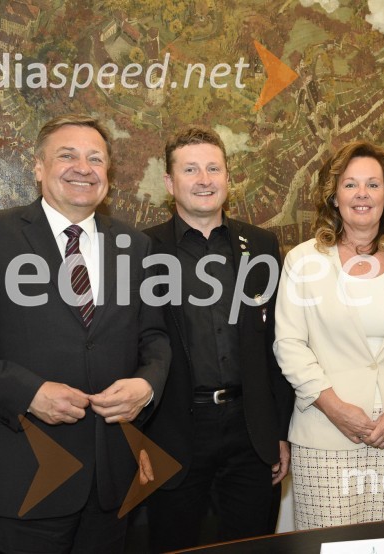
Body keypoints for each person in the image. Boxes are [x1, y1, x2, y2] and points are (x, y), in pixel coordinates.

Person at [0, 114, 171, 553]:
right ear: (37, 167)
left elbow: (154, 339)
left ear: (107, 175)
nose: (83, 167)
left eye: (96, 158)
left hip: (112, 482)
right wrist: (30, 393)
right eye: (67, 155)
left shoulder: (136, 246)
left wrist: (146, 387)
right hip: (29, 474)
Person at [273, 140, 384, 529]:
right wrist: (337, 410)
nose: (362, 194)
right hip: (325, 437)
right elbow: (290, 346)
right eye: (350, 185)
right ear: (334, 197)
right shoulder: (303, 261)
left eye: (372, 184)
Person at [141, 125, 294, 551]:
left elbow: (277, 348)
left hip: (251, 432)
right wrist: (134, 439)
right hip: (173, 432)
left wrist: (279, 431)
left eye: (213, 168)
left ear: (228, 177)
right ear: (170, 183)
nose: (204, 179)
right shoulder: (141, 250)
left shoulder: (261, 245)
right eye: (191, 169)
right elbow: (129, 348)